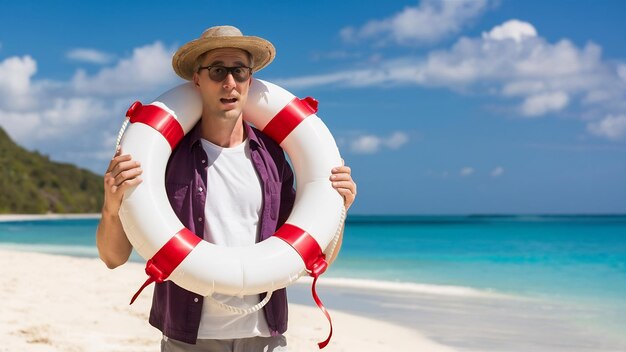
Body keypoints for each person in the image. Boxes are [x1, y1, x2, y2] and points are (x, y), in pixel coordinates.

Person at [96, 25, 357, 352]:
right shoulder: (162, 162)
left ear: (250, 80)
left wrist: (340, 208)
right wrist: (111, 206)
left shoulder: (274, 158)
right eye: (218, 70)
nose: (229, 82)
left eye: (239, 71)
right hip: (189, 338)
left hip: (266, 336)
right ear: (197, 79)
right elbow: (113, 258)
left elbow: (311, 260)